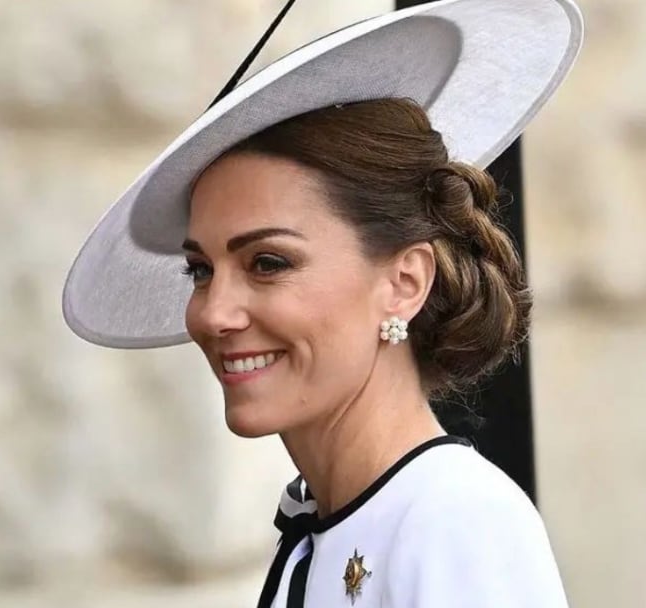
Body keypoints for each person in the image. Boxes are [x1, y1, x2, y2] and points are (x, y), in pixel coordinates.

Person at [62, 1, 583, 606]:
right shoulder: (321, 531)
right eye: (201, 269)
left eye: (267, 263)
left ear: (405, 283)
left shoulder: (454, 522)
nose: (213, 313)